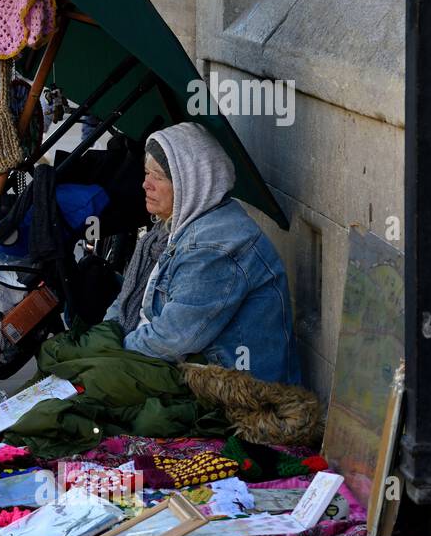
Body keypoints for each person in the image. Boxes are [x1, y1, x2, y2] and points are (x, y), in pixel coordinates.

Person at [102, 123, 301, 384]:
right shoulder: (168, 231)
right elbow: (127, 304)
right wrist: (103, 337)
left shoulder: (213, 249)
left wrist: (109, 354)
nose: (145, 184)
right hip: (180, 372)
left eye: (158, 176)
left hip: (234, 397)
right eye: (146, 172)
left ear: (191, 184)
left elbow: (172, 340)